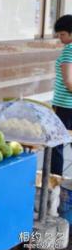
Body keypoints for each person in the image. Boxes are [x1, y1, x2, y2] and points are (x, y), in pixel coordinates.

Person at [51, 14, 72, 175]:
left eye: (63, 34)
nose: (60, 39)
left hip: (63, 105)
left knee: (57, 144)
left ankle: (55, 179)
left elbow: (68, 81)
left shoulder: (68, 51)